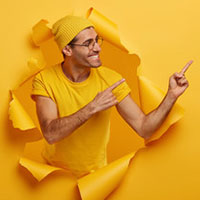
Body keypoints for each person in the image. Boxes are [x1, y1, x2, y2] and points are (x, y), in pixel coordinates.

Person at [31, 15, 192, 178]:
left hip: (95, 179)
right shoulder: (44, 80)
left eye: (97, 40)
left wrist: (171, 95)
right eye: (88, 43)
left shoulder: (110, 80)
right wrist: (91, 108)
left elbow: (144, 128)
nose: (97, 48)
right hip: (53, 178)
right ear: (67, 49)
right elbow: (51, 134)